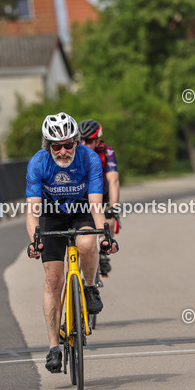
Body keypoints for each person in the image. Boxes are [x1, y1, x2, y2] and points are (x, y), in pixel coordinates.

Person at [25, 112, 118, 374]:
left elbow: (95, 203)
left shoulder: (89, 159)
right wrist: (34, 239)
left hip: (81, 212)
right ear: (48, 146)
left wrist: (104, 234)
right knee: (53, 281)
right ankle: (54, 347)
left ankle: (89, 287)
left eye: (68, 144)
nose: (63, 151)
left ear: (76, 142)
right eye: (57, 146)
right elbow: (32, 210)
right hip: (51, 216)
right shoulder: (38, 163)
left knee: (87, 243)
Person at [79, 119, 120, 277]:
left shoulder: (107, 151)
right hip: (83, 195)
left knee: (108, 220)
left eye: (89, 141)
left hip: (102, 193)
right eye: (81, 140)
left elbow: (113, 180)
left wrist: (113, 207)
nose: (84, 144)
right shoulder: (75, 152)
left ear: (97, 140)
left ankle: (104, 252)